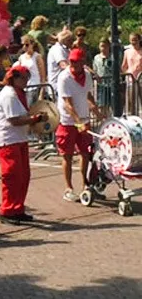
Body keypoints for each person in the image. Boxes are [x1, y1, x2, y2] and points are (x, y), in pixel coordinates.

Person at [0, 66, 48, 224]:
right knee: (12, 176)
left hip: (18, 139)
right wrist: (35, 119)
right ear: (14, 78)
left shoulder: (17, 94)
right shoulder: (9, 95)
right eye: (23, 78)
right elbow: (14, 120)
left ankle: (17, 208)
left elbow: (21, 118)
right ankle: (8, 210)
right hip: (8, 140)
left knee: (23, 176)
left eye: (26, 78)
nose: (26, 81)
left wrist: (33, 121)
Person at [56, 48, 98, 202]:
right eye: (71, 61)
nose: (73, 64)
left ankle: (85, 185)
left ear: (83, 62)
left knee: (85, 154)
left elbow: (88, 95)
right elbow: (68, 104)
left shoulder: (87, 75)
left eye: (76, 61)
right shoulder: (64, 77)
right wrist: (78, 122)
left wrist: (97, 111)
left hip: (84, 119)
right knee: (67, 155)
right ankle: (68, 188)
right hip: (68, 122)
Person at [93, 39, 113, 117]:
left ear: (109, 46)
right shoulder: (96, 57)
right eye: (101, 46)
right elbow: (95, 69)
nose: (103, 48)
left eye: (105, 46)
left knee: (113, 104)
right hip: (101, 85)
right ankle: (104, 120)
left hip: (111, 84)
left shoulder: (113, 57)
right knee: (102, 104)